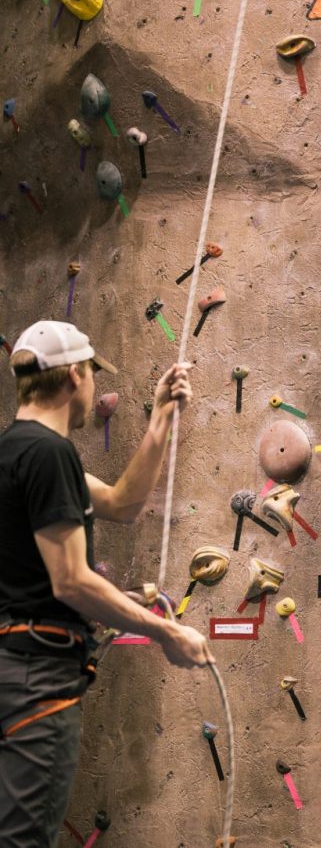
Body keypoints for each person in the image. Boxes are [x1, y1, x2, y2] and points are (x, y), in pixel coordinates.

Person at [0, 320, 215, 847]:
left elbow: (121, 503)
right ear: (75, 375)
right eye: (93, 375)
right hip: (36, 673)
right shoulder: (50, 454)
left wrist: (162, 417)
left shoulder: (15, 451)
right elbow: (71, 581)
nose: (93, 386)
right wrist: (165, 632)